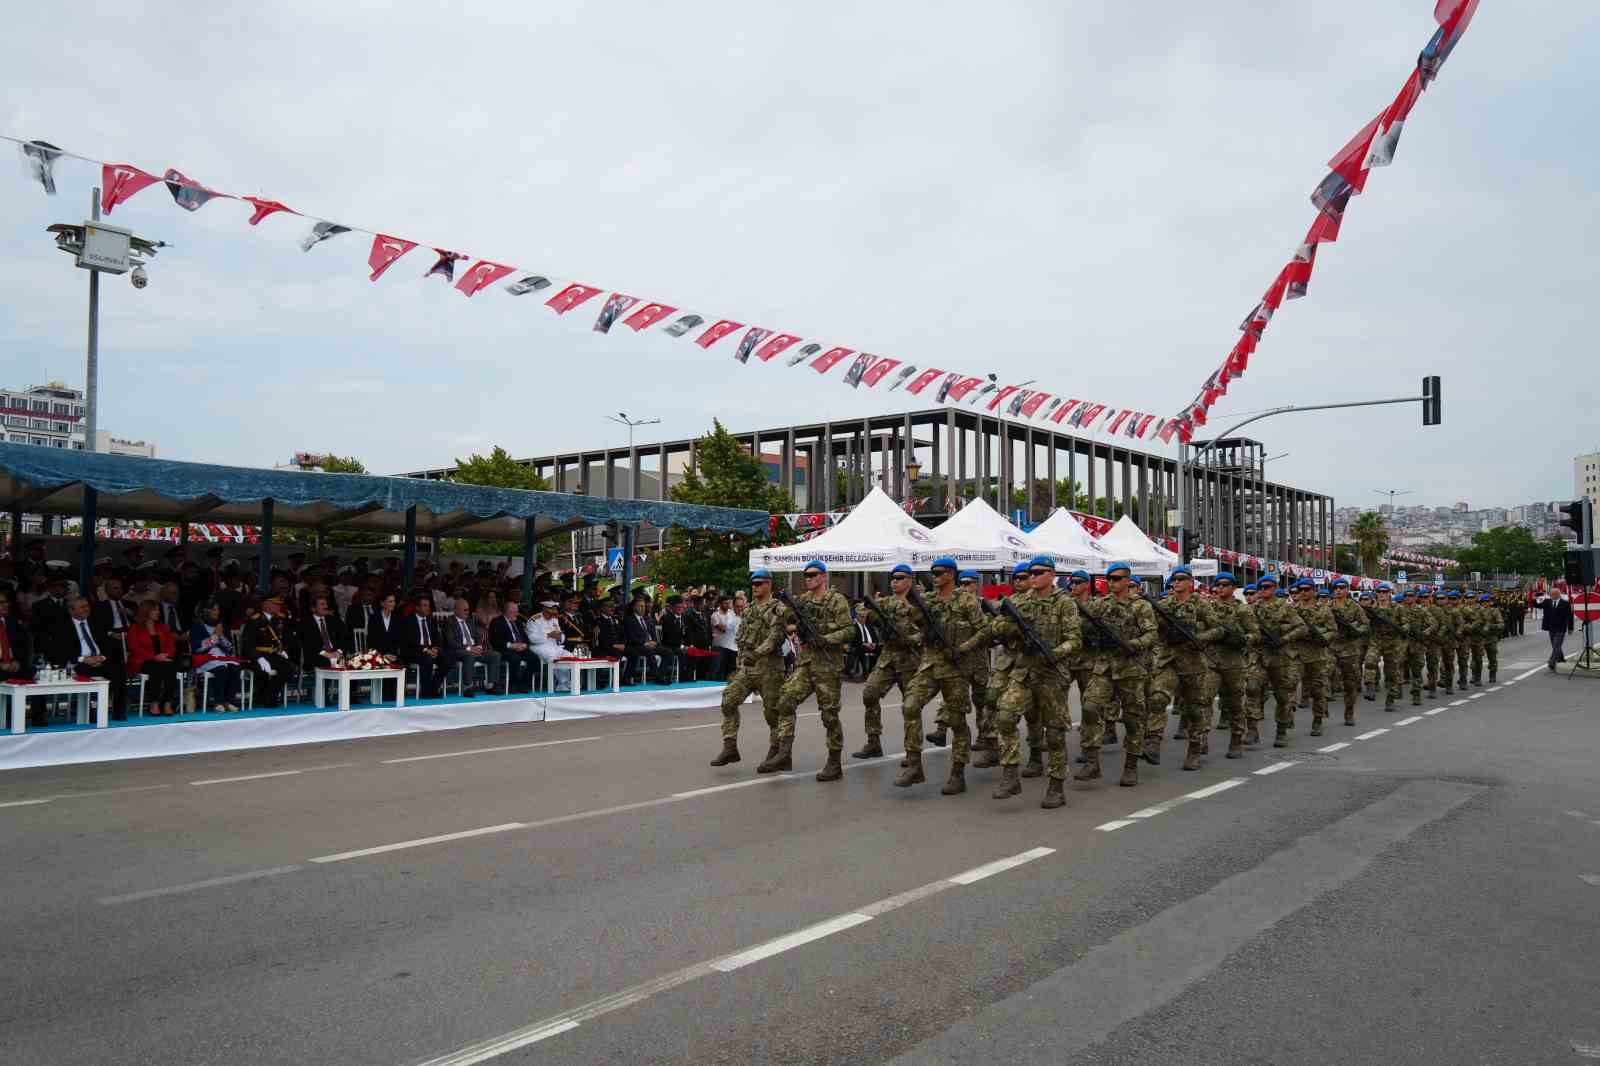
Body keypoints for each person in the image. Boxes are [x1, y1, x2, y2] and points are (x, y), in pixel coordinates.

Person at [990, 557, 1082, 806]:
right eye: (1030, 573)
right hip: (1024, 672)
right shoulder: (1020, 600)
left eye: (1038, 573)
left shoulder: (1065, 603)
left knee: (1053, 734)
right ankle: (1010, 776)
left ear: (1051, 574)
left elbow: (1075, 639)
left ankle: (1056, 786)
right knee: (1005, 716)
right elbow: (997, 624)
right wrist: (1010, 629)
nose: (1032, 577)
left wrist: (1054, 653)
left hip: (1051, 674)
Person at [895, 557, 988, 793]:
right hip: (929, 664)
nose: (935, 577)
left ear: (951, 575)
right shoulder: (926, 600)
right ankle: (914, 765)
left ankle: (958, 773)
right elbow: (911, 623)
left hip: (955, 668)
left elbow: (984, 631)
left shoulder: (967, 601)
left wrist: (963, 649)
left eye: (940, 573)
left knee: (956, 722)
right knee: (910, 705)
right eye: (933, 573)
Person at [770, 560, 856, 781]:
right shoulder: (802, 601)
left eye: (813, 575)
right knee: (786, 699)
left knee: (829, 714)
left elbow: (849, 630)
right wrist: (787, 615)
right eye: (806, 575)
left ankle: (834, 762)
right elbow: (784, 617)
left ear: (824, 577)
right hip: (807, 663)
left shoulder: (836, 600)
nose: (808, 578)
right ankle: (784, 753)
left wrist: (825, 639)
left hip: (828, 665)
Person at [1082, 562, 1157, 786]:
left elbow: (1151, 634)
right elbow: (1084, 627)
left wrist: (1132, 644)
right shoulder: (1100, 605)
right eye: (1110, 579)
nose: (1113, 583)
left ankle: (1131, 766)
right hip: (1104, 666)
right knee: (1089, 707)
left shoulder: (1140, 606)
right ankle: (1092, 762)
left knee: (1133, 719)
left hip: (1131, 669)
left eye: (1117, 578)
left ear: (1127, 580)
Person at [710, 570, 787, 768]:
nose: (755, 587)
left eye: (759, 583)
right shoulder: (750, 608)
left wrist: (758, 653)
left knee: (772, 712)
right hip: (748, 666)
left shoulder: (777, 608)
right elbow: (742, 637)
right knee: (729, 699)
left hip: (769, 667)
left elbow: (775, 637)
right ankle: (730, 747)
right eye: (753, 583)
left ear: (769, 584)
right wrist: (741, 661)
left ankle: (776, 751)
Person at [853, 564, 921, 760]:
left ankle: (912, 752)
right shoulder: (885, 603)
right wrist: (871, 613)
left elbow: (927, 632)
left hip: (910, 659)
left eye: (899, 578)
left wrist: (911, 638)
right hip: (888, 657)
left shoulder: (918, 604)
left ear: (910, 580)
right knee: (870, 693)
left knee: (911, 706)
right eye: (892, 578)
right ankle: (873, 742)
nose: (894, 581)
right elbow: (862, 613)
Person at [1207, 573, 1259, 757]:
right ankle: (1199, 741)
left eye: (1224, 584)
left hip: (1235, 663)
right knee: (1204, 701)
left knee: (1236, 703)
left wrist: (1242, 639)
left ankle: (1236, 739)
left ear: (1233, 587)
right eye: (1217, 584)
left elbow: (1255, 633)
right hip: (1212, 661)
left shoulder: (1243, 610)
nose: (1220, 588)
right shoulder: (1209, 608)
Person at [1252, 575, 1306, 748]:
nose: (1262, 590)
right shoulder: (1253, 608)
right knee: (1251, 688)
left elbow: (1301, 628)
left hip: (1281, 657)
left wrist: (1284, 638)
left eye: (1266, 587)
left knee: (1282, 696)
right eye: (1260, 587)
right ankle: (1252, 729)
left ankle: (1281, 731)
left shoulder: (1286, 608)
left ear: (1274, 588)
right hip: (1260, 655)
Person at [1325, 578, 1369, 727]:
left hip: (1349, 648)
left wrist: (1356, 631)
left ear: (1347, 589)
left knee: (1350, 682)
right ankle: (1321, 707)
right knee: (1323, 675)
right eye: (1336, 588)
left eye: (1342, 587)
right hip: (1331, 646)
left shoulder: (1355, 607)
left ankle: (1349, 713)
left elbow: (1365, 624)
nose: (1338, 590)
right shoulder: (1328, 606)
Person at [127, 600, 182, 715]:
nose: (158, 612)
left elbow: (171, 645)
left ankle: (167, 701)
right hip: (143, 660)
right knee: (156, 667)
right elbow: (134, 648)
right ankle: (154, 702)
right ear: (146, 611)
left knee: (171, 666)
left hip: (163, 660)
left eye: (158, 610)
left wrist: (165, 655)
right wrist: (154, 657)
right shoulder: (135, 628)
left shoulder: (163, 627)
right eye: (155, 610)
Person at [442, 596, 502, 696]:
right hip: (458, 650)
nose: (467, 612)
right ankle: (468, 687)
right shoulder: (449, 622)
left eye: (468, 610)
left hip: (474, 650)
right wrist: (469, 648)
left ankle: (491, 686)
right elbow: (450, 641)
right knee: (468, 656)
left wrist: (479, 647)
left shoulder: (469, 621)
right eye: (465, 610)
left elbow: (477, 636)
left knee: (495, 655)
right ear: (456, 610)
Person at [242, 595, 294, 708]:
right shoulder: (254, 620)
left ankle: (271, 695)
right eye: (275, 603)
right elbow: (248, 645)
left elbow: (287, 638)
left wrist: (284, 650)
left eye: (280, 604)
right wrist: (259, 658)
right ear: (265, 604)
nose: (279, 606)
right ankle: (263, 696)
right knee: (261, 671)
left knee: (289, 669)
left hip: (275, 654)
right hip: (257, 655)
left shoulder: (281, 619)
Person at [190, 601, 242, 711]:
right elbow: (198, 648)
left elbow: (229, 648)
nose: (217, 612)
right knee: (221, 668)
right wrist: (215, 636)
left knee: (235, 667)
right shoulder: (197, 626)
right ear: (205, 611)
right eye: (214, 609)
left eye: (217, 609)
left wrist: (221, 636)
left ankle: (229, 701)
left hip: (221, 657)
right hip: (204, 658)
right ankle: (218, 702)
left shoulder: (221, 626)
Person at [1362, 584, 1407, 712]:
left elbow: (1405, 624)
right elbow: (1364, 623)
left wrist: (1401, 629)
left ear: (1389, 593)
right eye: (1379, 592)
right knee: (1370, 661)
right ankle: (1370, 687)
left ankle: (1390, 699)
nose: (1382, 594)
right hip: (1376, 641)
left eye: (1384, 591)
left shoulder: (1397, 608)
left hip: (1393, 643)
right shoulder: (1371, 609)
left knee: (1392, 672)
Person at [398, 592, 450, 698]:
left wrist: (435, 649)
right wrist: (426, 650)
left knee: (447, 660)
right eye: (425, 605)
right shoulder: (408, 621)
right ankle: (427, 692)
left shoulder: (431, 621)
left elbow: (437, 639)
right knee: (427, 659)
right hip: (414, 652)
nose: (428, 608)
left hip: (430, 651)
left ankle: (432, 688)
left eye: (429, 605)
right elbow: (410, 642)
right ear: (417, 607)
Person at [489, 599, 539, 693]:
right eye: (515, 612)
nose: (517, 613)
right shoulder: (496, 622)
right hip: (505, 649)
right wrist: (511, 645)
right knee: (515, 659)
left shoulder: (518, 621)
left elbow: (525, 637)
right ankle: (513, 684)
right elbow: (495, 640)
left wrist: (524, 644)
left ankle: (523, 683)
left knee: (534, 659)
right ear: (508, 612)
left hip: (520, 648)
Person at [298, 594, 351, 672]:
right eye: (322, 604)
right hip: (317, 655)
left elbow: (344, 637)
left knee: (351, 662)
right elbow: (308, 643)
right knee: (326, 662)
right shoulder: (305, 623)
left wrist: (339, 651)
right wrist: (325, 653)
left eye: (326, 604)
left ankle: (349, 684)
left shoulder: (334, 620)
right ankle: (326, 684)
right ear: (313, 608)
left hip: (336, 653)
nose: (326, 607)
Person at [527, 600, 571, 691]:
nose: (551, 616)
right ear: (544, 610)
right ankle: (562, 683)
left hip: (554, 646)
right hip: (539, 646)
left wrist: (560, 637)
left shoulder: (554, 620)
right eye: (549, 613)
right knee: (552, 656)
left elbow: (561, 636)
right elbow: (532, 638)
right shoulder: (534, 620)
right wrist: (548, 635)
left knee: (569, 656)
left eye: (553, 613)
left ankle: (566, 683)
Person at [0, 590, 33, 684]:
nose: (6, 605)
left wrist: (17, 661)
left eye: (6, 602)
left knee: (32, 673)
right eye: (1, 602)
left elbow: (23, 647)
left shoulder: (12, 622)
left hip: (14, 666)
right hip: (1, 668)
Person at [1542, 585, 1574, 670]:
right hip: (1551, 628)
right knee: (1555, 645)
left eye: (1552, 594)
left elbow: (1569, 617)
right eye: (1550, 594)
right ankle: (1561, 658)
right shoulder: (1547, 602)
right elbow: (1538, 605)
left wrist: (1570, 628)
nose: (1551, 596)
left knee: (1556, 645)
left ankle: (1551, 662)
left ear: (1557, 595)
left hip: (1560, 628)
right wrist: (1534, 599)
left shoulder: (1565, 603)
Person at [710, 594, 741, 680]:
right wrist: (733, 622)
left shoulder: (731, 614)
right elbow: (723, 629)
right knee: (716, 667)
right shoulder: (715, 615)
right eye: (725, 603)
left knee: (728, 669)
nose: (727, 605)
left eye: (728, 603)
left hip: (730, 646)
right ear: (720, 604)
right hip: (718, 645)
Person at [366, 591, 400, 656]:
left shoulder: (397, 618)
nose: (393, 604)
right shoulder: (374, 618)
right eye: (390, 601)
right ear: (382, 603)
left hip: (392, 655)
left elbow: (397, 640)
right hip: (377, 654)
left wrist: (393, 654)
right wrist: (376, 654)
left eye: (394, 601)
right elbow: (371, 639)